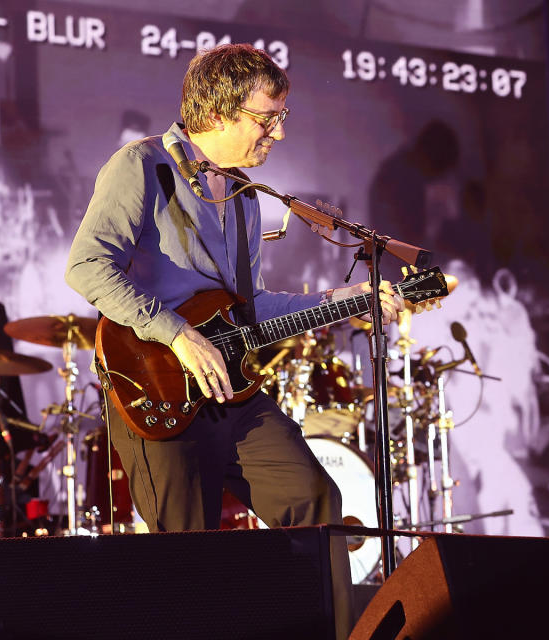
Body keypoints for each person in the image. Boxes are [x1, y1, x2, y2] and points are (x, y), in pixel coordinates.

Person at [66, 43, 403, 637]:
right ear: (218, 112)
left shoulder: (246, 198)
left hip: (231, 388)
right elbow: (88, 267)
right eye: (266, 118)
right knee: (188, 557)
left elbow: (248, 307)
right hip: (155, 389)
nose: (277, 133)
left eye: (281, 118)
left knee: (315, 502)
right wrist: (176, 334)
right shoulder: (141, 165)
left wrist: (340, 304)